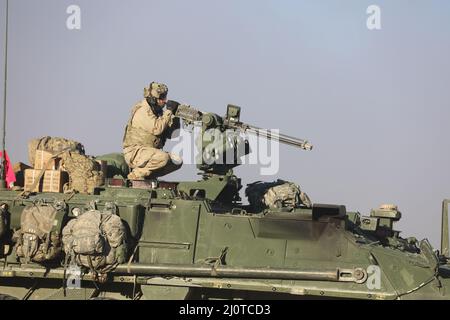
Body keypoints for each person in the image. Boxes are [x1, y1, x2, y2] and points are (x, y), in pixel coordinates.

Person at [122, 82, 182, 180]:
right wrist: (169, 111)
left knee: (177, 161)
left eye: (165, 97)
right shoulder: (142, 110)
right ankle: (136, 175)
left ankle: (148, 176)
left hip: (150, 153)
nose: (164, 101)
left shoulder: (158, 112)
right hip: (135, 152)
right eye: (161, 98)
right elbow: (157, 129)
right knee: (163, 158)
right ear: (152, 98)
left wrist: (176, 116)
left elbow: (173, 135)